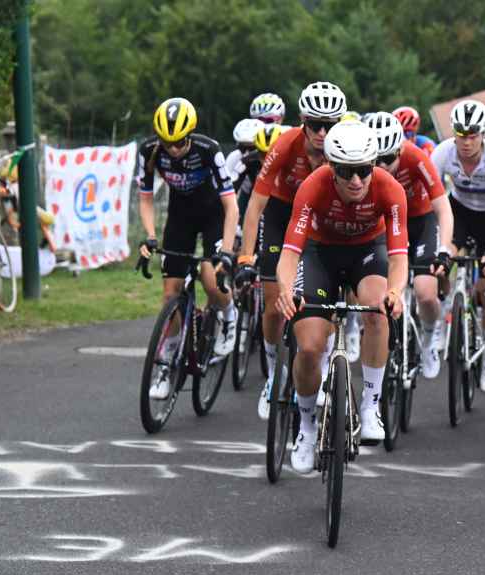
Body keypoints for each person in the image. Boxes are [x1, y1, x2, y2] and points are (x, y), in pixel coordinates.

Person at [274, 120, 408, 471]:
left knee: (378, 310)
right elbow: (290, 252)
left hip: (368, 252)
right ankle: (305, 425)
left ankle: (371, 403)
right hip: (321, 254)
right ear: (331, 167)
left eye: (364, 170)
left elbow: (398, 257)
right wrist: (286, 289)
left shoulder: (390, 189)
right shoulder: (312, 187)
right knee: (309, 345)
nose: (356, 181)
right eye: (347, 172)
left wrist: (396, 291)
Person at [239, 81, 347, 420]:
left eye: (329, 125)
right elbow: (256, 204)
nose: (321, 131)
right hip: (282, 216)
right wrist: (245, 256)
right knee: (273, 303)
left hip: (322, 221)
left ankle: (321, 357)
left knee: (323, 301)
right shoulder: (286, 144)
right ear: (302, 120)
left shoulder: (345, 147)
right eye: (314, 124)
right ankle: (274, 375)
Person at [137, 98, 239, 400]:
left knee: (211, 278)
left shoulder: (208, 150)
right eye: (168, 143)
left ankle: (229, 314)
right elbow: (144, 197)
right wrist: (150, 236)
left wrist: (227, 249)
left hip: (213, 215)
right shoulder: (150, 151)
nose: (174, 149)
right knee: (170, 294)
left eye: (180, 142)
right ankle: (166, 365)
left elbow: (231, 205)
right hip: (180, 216)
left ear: (190, 135)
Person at [430, 99, 485, 393]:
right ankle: (444, 313)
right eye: (460, 134)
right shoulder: (444, 152)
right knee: (442, 259)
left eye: (472, 135)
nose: (466, 142)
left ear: (483, 134)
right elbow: (428, 194)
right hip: (459, 212)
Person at [365, 111, 452, 379]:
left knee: (426, 292)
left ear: (401, 150)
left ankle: (428, 336)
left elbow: (443, 208)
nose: (381, 166)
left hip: (420, 221)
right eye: (375, 160)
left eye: (388, 159)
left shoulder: (417, 157)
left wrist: (444, 250)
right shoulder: (361, 168)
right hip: (386, 223)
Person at [225, 118, 264, 185]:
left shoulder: (273, 156)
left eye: (252, 146)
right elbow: (228, 184)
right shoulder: (235, 156)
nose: (247, 152)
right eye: (243, 145)